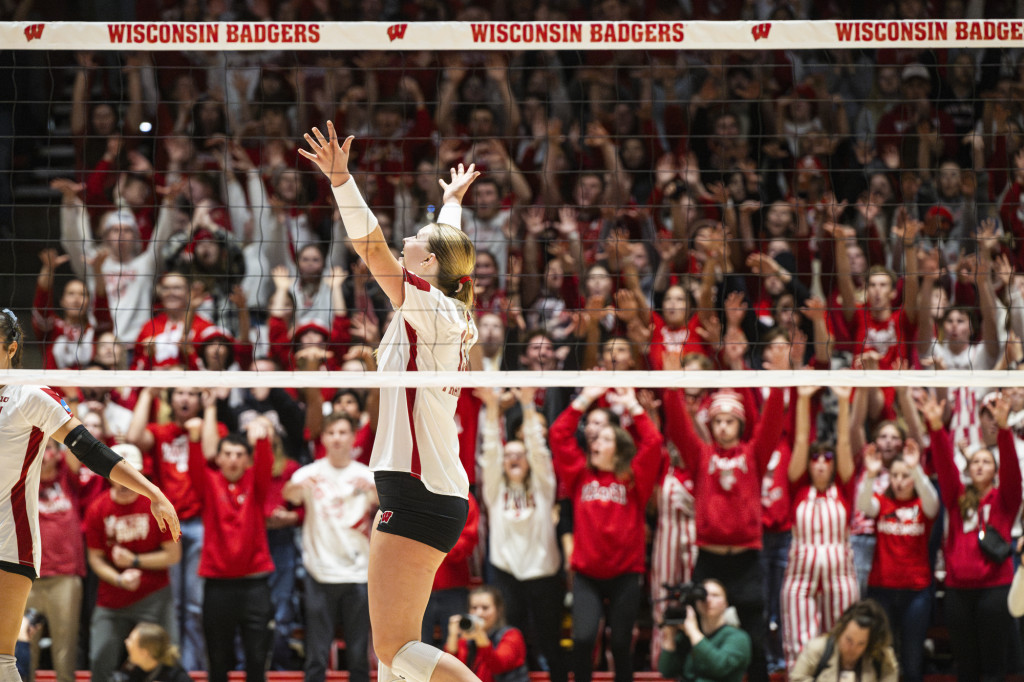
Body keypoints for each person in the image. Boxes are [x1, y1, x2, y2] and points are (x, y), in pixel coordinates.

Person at [301, 122, 482, 682]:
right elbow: (449, 255)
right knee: (390, 661)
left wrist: (341, 181)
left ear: (427, 266)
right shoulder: (449, 305)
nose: (410, 239)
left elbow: (372, 245)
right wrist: (450, 204)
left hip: (416, 487)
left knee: (395, 648)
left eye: (420, 240)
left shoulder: (428, 306)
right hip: (428, 487)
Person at [0, 308, 179, 682]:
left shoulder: (29, 396)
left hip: (8, 540)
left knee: (2, 659)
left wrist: (152, 491)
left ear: (12, 349)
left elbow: (90, 448)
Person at [549, 385, 663, 682]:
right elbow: (558, 434)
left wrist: (633, 406)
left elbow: (653, 442)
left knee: (622, 644)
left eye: (605, 438)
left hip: (625, 574)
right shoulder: (579, 473)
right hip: (587, 575)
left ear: (620, 446)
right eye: (594, 437)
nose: (595, 442)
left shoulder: (634, 478)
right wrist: (585, 399)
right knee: (583, 640)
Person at [924, 391, 1021, 682]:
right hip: (958, 591)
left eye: (986, 462)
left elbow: (1014, 472)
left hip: (995, 589)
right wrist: (936, 427)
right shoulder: (957, 499)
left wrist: (1004, 430)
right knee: (965, 668)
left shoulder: (1005, 500)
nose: (979, 465)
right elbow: (943, 466)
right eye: (974, 462)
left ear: (995, 472)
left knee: (993, 669)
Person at [283, 411, 377, 682]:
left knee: (359, 654)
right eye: (331, 432)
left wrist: (375, 492)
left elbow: (386, 502)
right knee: (316, 654)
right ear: (323, 437)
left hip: (358, 573)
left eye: (342, 432)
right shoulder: (309, 473)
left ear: (353, 437)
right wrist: (295, 486)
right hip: (319, 573)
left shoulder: (366, 475)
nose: (337, 438)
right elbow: (288, 495)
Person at [188, 423, 276, 682]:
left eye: (239, 454)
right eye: (227, 454)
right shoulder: (209, 483)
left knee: (257, 659)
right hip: (218, 587)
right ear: (218, 458)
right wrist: (194, 440)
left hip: (255, 585)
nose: (233, 459)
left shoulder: (256, 484)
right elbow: (194, 469)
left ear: (248, 460)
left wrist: (261, 441)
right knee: (217, 661)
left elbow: (265, 464)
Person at [856, 438, 938, 682]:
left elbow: (934, 504)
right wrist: (870, 476)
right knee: (884, 659)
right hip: (882, 589)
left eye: (905, 476)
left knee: (912, 661)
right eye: (895, 476)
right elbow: (862, 504)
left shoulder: (922, 504)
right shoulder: (882, 501)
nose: (900, 482)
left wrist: (916, 469)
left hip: (916, 591)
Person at [657, 579, 752, 682]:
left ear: (725, 604)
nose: (708, 599)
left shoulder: (738, 637)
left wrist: (693, 631)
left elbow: (719, 667)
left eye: (715, 595)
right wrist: (670, 636)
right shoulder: (687, 637)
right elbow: (667, 671)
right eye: (702, 595)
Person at [788, 600, 898, 682]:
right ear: (840, 631)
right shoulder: (817, 649)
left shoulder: (882, 657)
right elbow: (796, 679)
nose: (852, 648)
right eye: (848, 640)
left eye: (861, 643)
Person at [444, 586, 528, 682]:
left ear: (498, 610)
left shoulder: (512, 635)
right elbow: (452, 671)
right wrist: (453, 636)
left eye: (485, 608)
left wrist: (480, 636)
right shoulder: (467, 638)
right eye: (474, 608)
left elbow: (498, 666)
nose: (479, 613)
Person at [123, 622, 192, 682]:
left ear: (144, 652)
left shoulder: (177, 676)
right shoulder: (132, 670)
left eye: (131, 640)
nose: (126, 642)